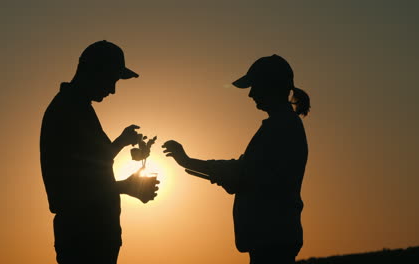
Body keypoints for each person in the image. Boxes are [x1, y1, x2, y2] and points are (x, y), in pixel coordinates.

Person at [162, 55, 310, 264]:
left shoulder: (282, 127)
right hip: (272, 238)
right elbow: (247, 173)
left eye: (255, 86)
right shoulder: (281, 125)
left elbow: (244, 173)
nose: (250, 94)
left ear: (271, 86)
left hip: (272, 240)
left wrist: (188, 162)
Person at [40, 40, 160, 264]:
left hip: (91, 235)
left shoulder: (76, 108)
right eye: (111, 79)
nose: (113, 90)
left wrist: (120, 142)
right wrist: (125, 186)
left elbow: (90, 163)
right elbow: (71, 188)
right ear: (94, 71)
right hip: (85, 237)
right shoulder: (68, 110)